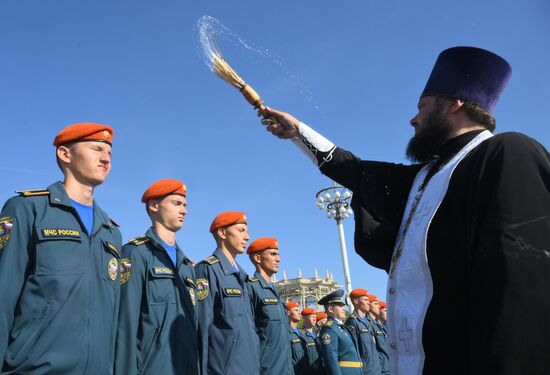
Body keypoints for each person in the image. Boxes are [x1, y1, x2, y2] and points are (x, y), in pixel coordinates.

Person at [261, 46, 550, 374]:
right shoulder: (424, 178)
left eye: (422, 107)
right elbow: (356, 172)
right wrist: (296, 131)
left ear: (454, 104)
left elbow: (524, 290)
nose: (413, 119)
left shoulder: (506, 153)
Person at [0, 123, 122, 373]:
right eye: (97, 149)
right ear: (65, 154)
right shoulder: (27, 210)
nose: (106, 159)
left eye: (109, 153)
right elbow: (3, 296)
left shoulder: (112, 232)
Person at [114, 179, 198, 374]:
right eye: (177, 203)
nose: (184, 211)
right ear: (154, 206)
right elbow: (125, 325)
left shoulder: (187, 266)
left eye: (185, 205)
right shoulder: (135, 253)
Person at [195, 211, 259, 375]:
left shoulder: (242, 277)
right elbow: (201, 329)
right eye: (241, 230)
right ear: (223, 233)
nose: (247, 237)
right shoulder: (208, 269)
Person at [246, 237, 293, 375]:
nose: (278, 259)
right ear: (258, 258)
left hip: (286, 368)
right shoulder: (251, 287)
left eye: (278, 254)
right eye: (273, 254)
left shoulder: (274, 291)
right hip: (267, 369)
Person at [318, 290, 362, 374]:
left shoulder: (342, 327)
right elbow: (331, 360)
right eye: (340, 306)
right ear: (330, 309)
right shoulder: (329, 329)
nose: (344, 309)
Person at [344, 289, 381, 375]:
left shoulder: (368, 322)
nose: (368, 303)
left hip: (376, 369)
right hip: (365, 370)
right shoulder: (352, 322)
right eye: (366, 300)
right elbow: (353, 350)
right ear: (356, 301)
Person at [366, 295, 388, 375]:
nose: (378, 306)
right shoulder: (368, 324)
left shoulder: (379, 326)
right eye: (375, 304)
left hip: (386, 365)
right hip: (378, 367)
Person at [301, 308, 324, 375]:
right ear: (304, 318)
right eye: (312, 317)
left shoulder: (317, 336)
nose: (314, 319)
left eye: (315, 317)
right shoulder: (302, 336)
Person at [287, 301, 308, 375]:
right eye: (296, 310)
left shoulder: (301, 334)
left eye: (299, 310)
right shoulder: (285, 333)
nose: (299, 312)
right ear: (288, 313)